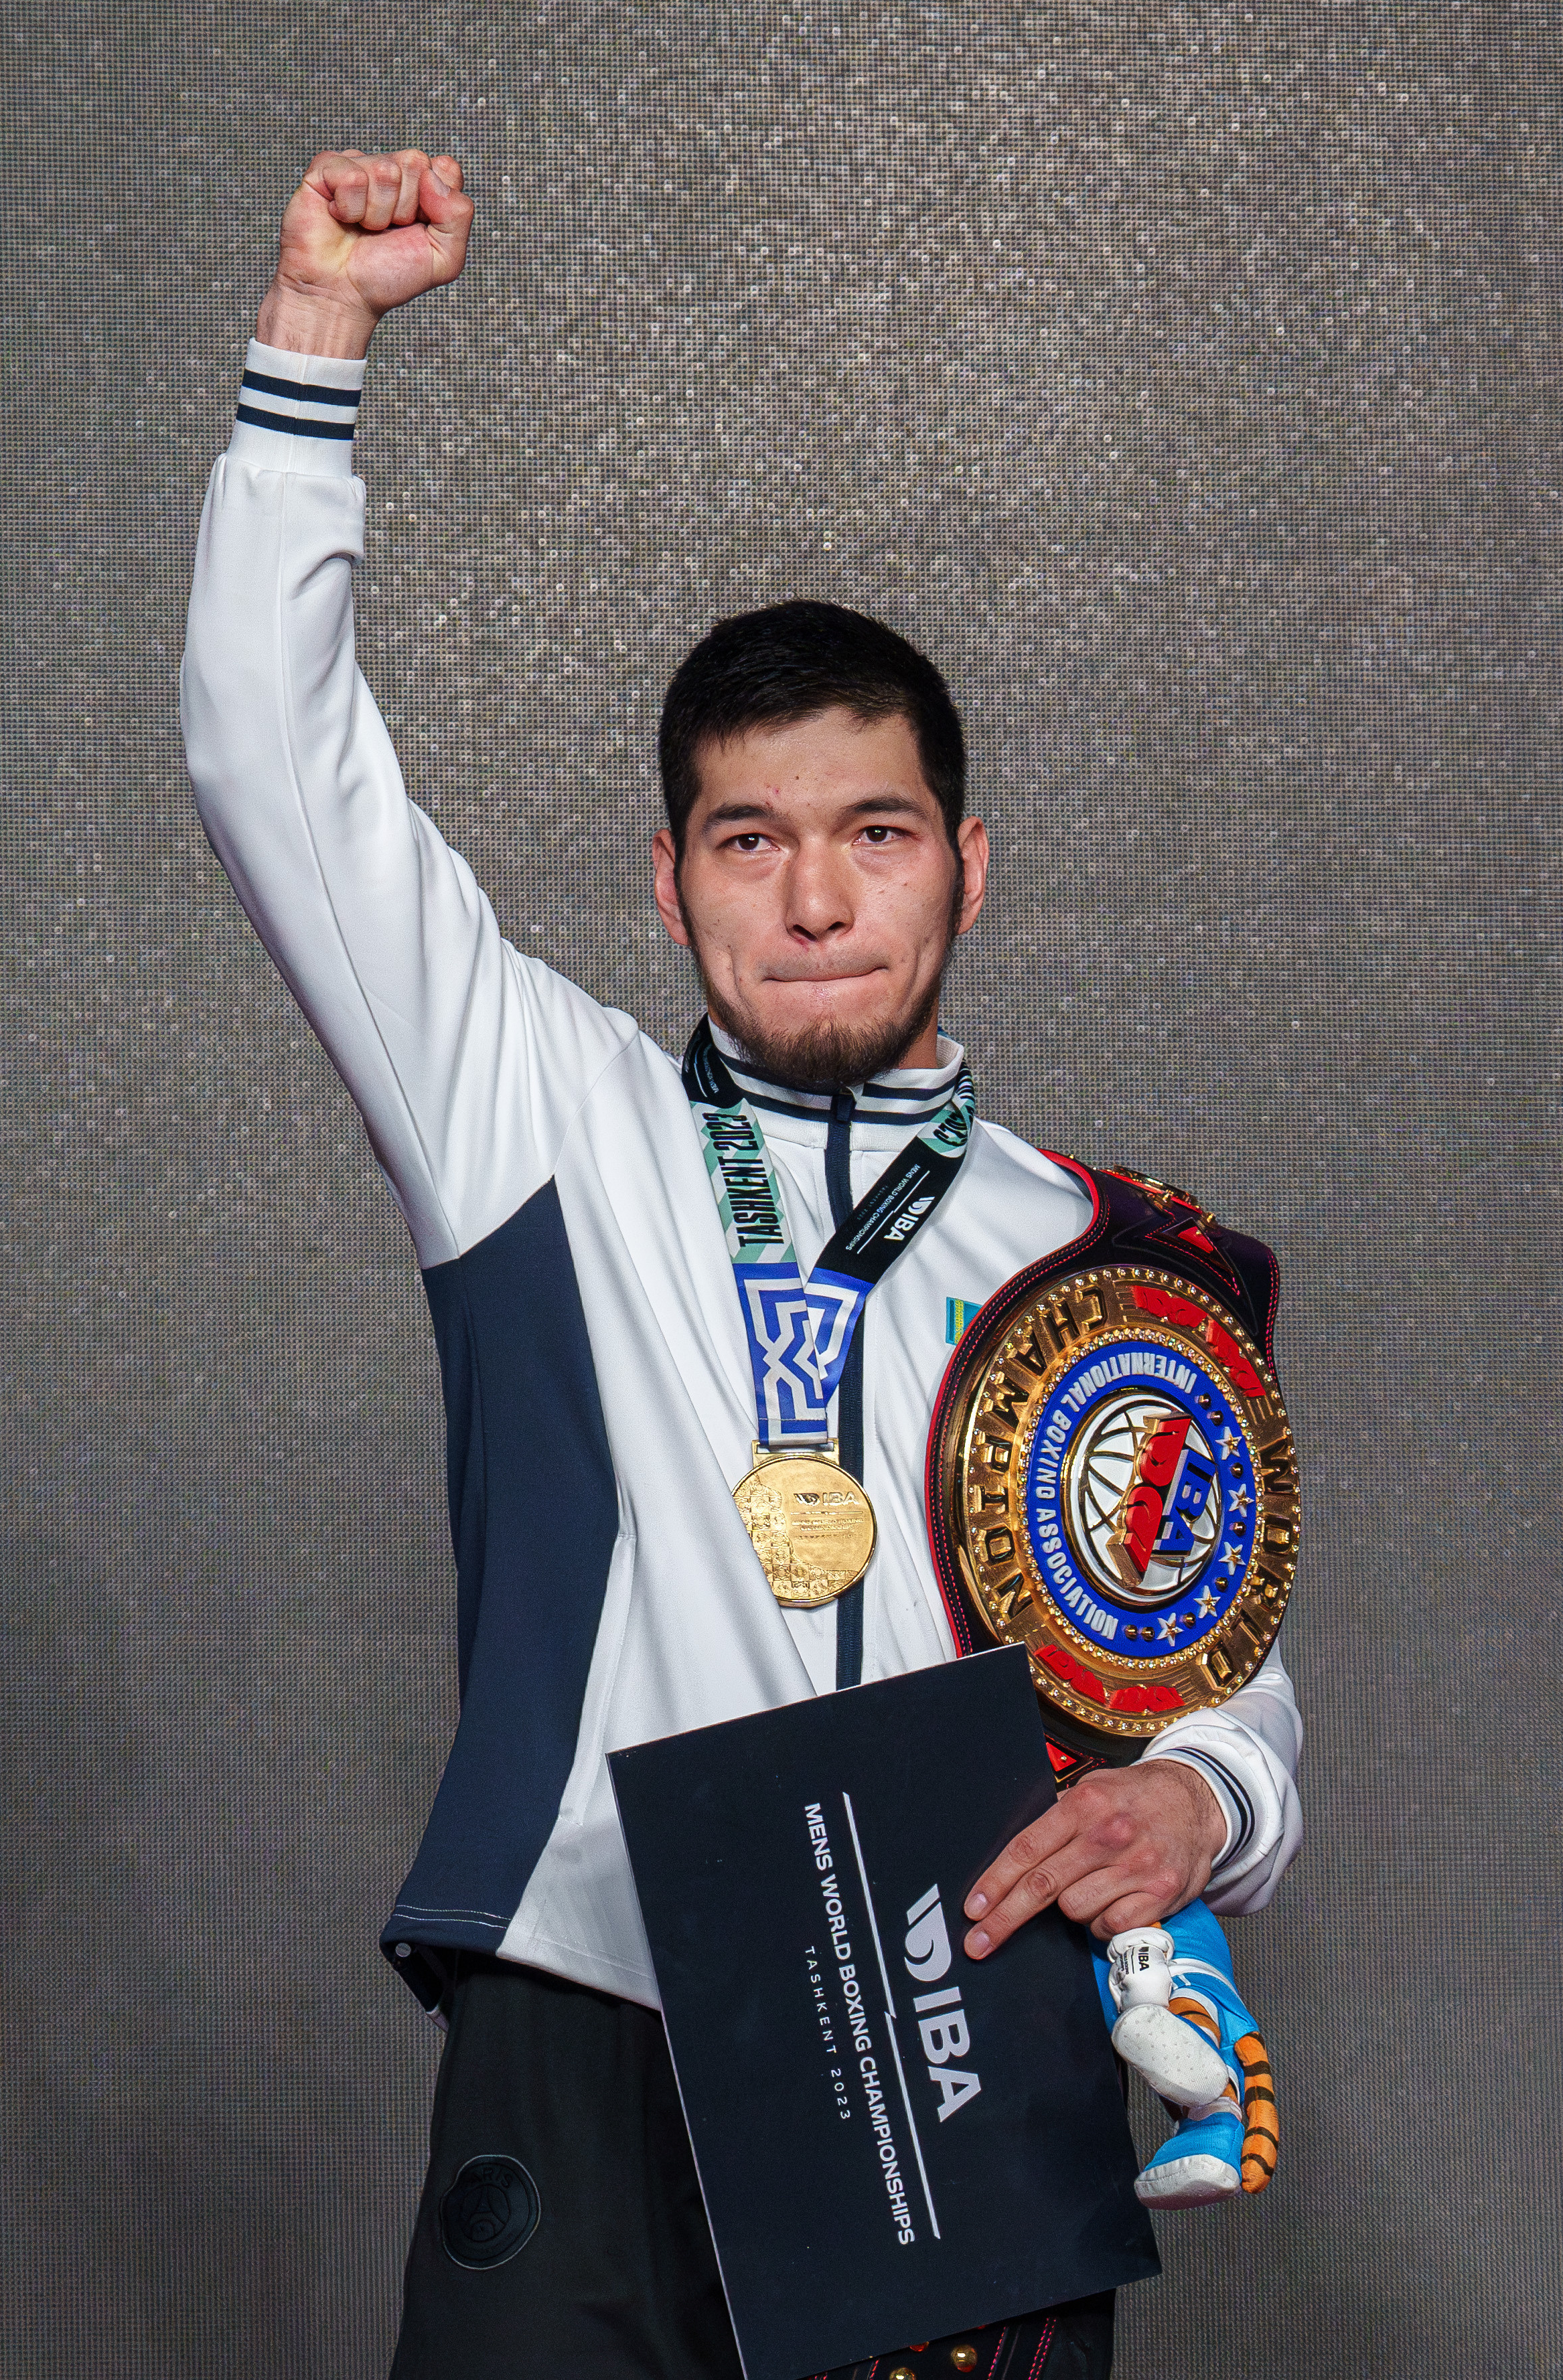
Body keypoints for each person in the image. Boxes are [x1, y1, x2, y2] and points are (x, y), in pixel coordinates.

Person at [181, 147, 1303, 2380]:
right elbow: (268, 761)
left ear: (963, 868)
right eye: (751, 840)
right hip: (587, 2024)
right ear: (674, 877)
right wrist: (312, 336)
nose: (814, 899)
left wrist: (1208, 1798)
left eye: (872, 835)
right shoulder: (533, 1113)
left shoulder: (1109, 1254)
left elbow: (1214, 1655)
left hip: (957, 2047)